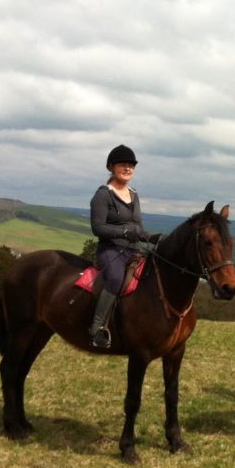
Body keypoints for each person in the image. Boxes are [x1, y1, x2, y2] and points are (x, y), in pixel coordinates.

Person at [88, 144, 153, 348]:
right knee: (116, 278)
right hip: (111, 250)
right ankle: (97, 327)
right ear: (111, 167)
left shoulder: (134, 195)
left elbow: (138, 227)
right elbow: (97, 228)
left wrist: (152, 238)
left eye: (131, 165)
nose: (127, 168)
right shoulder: (103, 195)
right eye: (122, 165)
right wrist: (125, 232)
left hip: (134, 250)